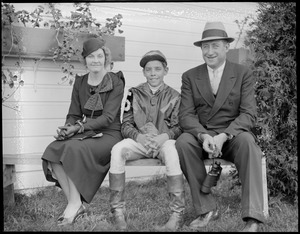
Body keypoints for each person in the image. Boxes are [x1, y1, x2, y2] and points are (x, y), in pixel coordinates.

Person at [175, 21, 265, 232]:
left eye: (215, 45)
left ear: (226, 47)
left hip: (233, 136)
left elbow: (249, 113)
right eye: (205, 47)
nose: (210, 51)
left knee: (249, 144)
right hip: (204, 137)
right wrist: (203, 136)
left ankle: (253, 217)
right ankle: (206, 209)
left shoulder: (243, 73)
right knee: (182, 142)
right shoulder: (190, 76)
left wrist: (225, 135)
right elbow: (185, 115)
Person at [41, 37, 125, 226]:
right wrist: (67, 129)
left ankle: (73, 206)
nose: (96, 60)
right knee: (53, 149)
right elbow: (74, 114)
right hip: (86, 132)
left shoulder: (115, 81)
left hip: (110, 134)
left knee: (72, 149)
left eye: (99, 56)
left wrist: (78, 128)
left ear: (105, 58)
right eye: (91, 56)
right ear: (84, 59)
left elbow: (108, 118)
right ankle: (75, 203)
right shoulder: (80, 82)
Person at [108, 50, 185, 231]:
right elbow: (125, 125)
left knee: (172, 152)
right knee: (117, 150)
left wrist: (163, 137)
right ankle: (117, 211)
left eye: (158, 69)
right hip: (139, 141)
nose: (153, 73)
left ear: (166, 70)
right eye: (148, 69)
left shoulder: (175, 96)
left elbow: (179, 127)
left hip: (164, 141)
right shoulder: (133, 93)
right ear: (143, 72)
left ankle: (177, 214)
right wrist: (139, 137)